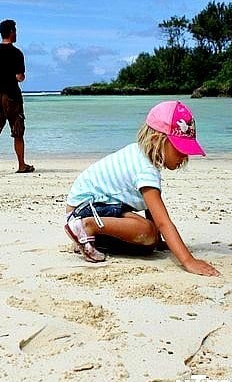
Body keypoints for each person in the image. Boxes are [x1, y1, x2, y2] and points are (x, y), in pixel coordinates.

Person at [63, 100, 220, 277]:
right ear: (156, 140)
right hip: (86, 211)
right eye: (180, 149)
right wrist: (188, 261)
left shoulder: (139, 155)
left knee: (147, 246)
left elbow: (150, 207)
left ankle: (88, 237)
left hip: (88, 207)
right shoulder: (146, 170)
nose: (184, 157)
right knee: (147, 232)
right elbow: (163, 222)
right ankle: (87, 227)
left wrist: (159, 241)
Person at [0, 18, 34, 176]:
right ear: (11, 32)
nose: (16, 33)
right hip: (12, 95)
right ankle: (21, 165)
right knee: (17, 132)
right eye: (15, 30)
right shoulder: (16, 53)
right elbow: (20, 77)